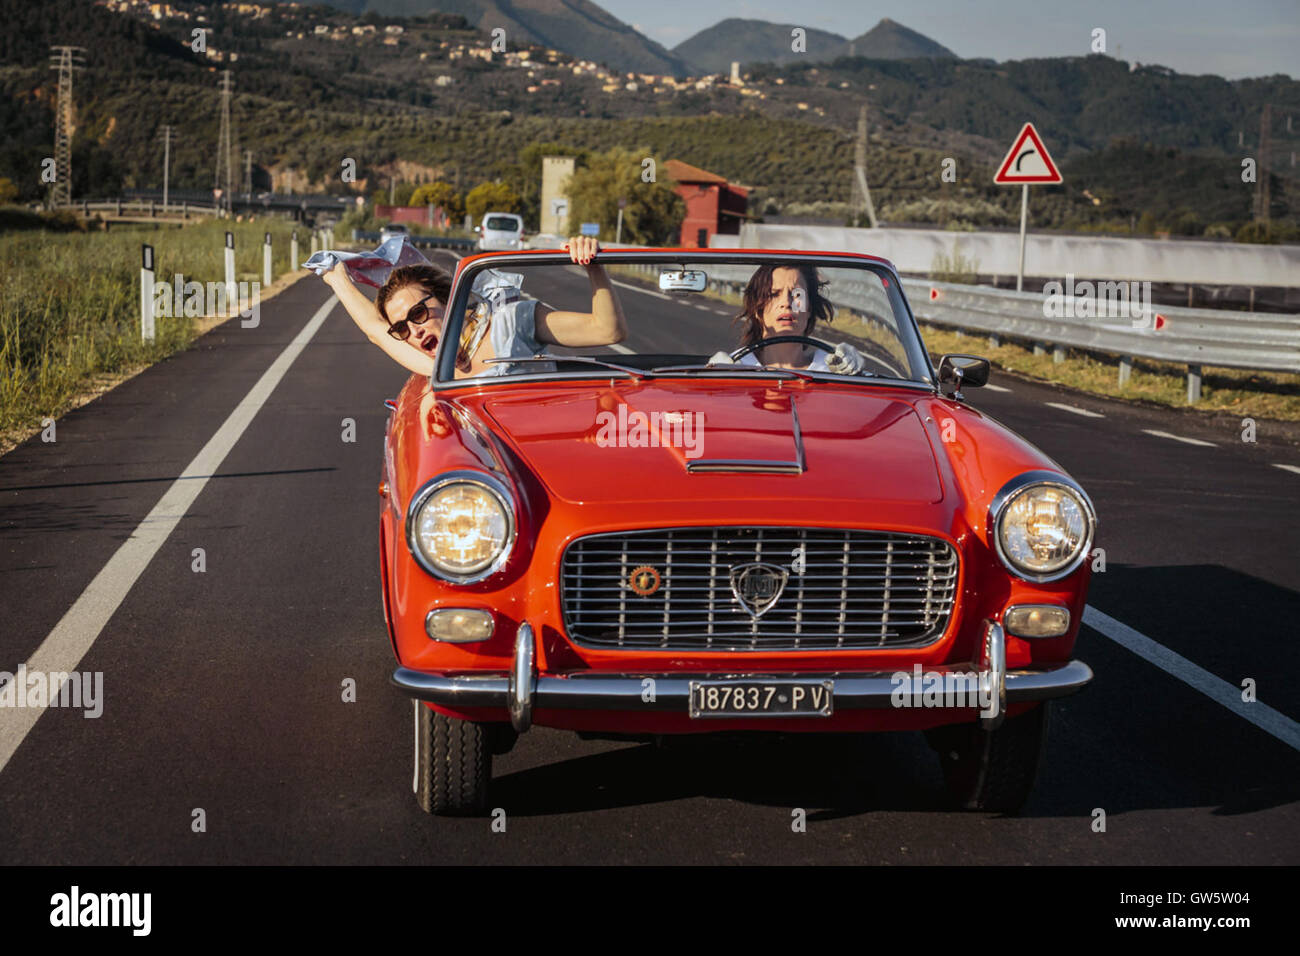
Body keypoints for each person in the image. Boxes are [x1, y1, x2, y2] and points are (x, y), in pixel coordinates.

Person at [321, 235, 627, 378]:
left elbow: (606, 331)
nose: (414, 331)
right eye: (401, 328)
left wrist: (593, 266)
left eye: (418, 313)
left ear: (446, 299)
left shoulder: (510, 321)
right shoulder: (435, 365)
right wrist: (336, 278)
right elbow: (375, 331)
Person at [716, 263, 865, 374]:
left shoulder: (833, 368)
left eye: (797, 294)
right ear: (757, 309)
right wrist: (712, 377)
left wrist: (858, 374)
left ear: (809, 308)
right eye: (774, 294)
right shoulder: (734, 367)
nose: (786, 303)